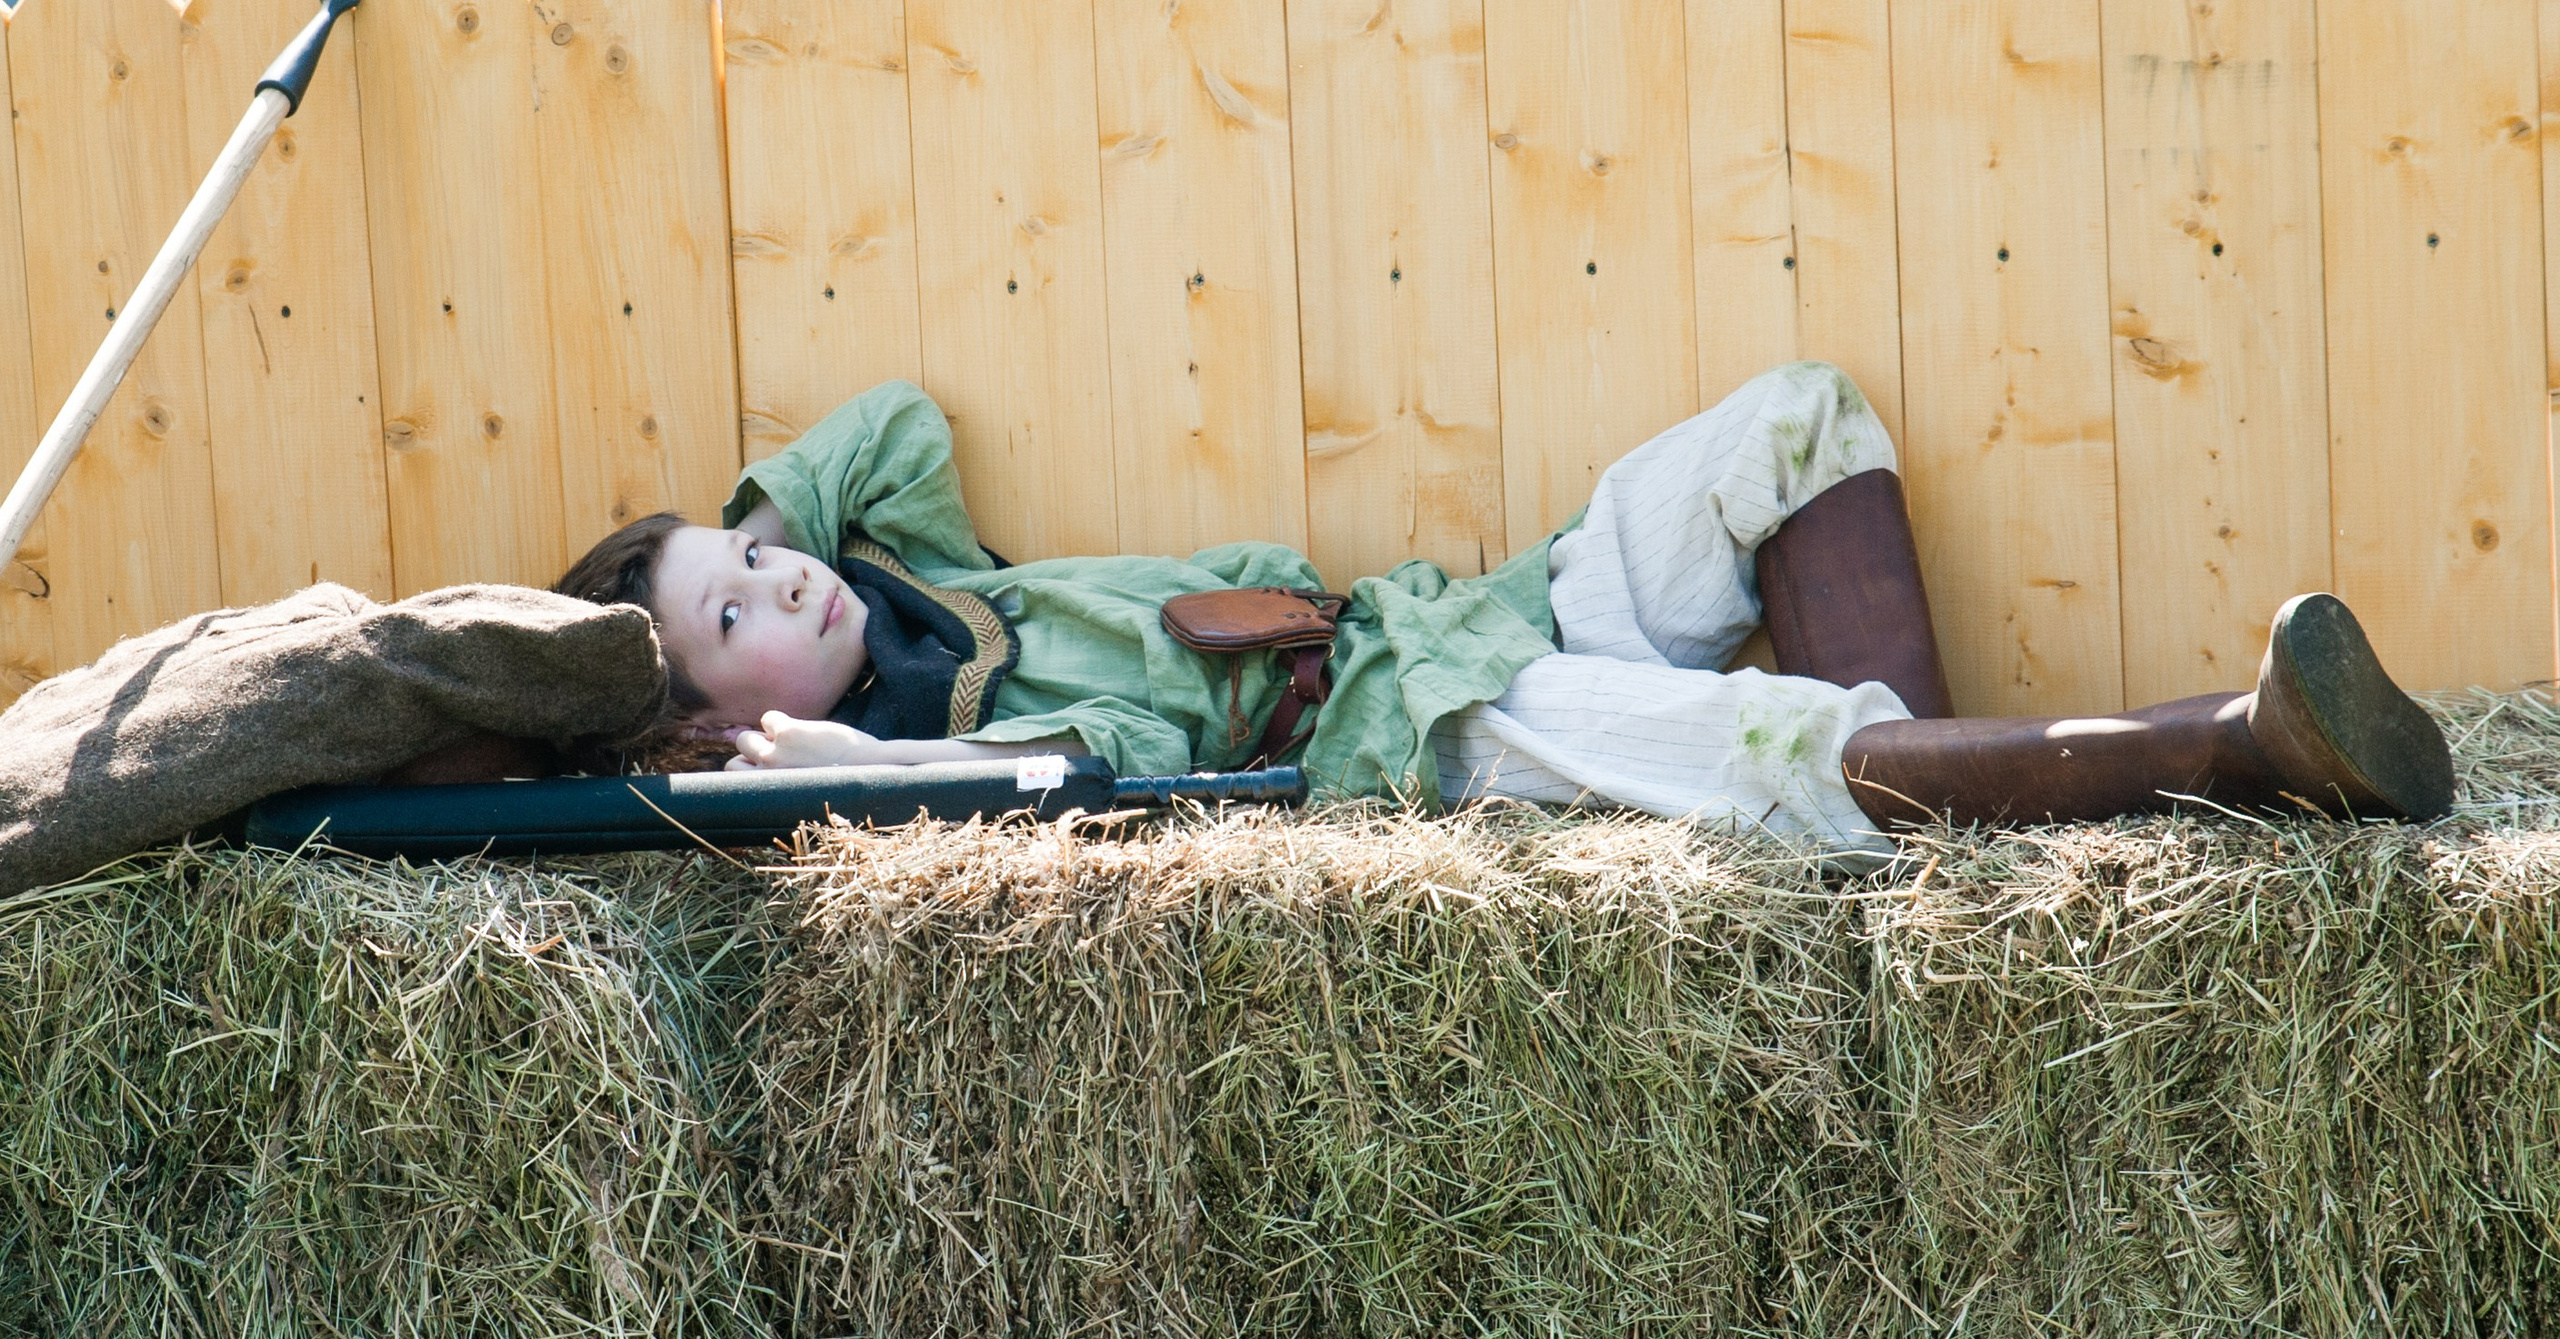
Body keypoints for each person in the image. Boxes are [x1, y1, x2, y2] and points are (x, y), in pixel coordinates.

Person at [554, 363, 2452, 854]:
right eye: (734, 617)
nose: (778, 579)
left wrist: (752, 541)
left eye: (751, 561)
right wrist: (812, 765)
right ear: (725, 716)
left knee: (1792, 425)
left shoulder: (929, 584)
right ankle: (2234, 749)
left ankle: (1918, 847)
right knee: (1773, 742)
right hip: (1419, 738)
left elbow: (887, 421)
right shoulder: (956, 764)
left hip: (1467, 615)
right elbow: (1109, 782)